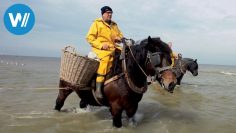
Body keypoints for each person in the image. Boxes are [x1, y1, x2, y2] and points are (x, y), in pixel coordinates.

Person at [86, 6, 123, 99]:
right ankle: (98, 89)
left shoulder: (114, 25)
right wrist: (101, 45)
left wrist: (120, 38)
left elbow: (120, 35)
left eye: (111, 13)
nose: (110, 14)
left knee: (127, 55)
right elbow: (90, 38)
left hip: (114, 48)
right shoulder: (97, 23)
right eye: (107, 13)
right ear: (102, 14)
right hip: (101, 49)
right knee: (106, 61)